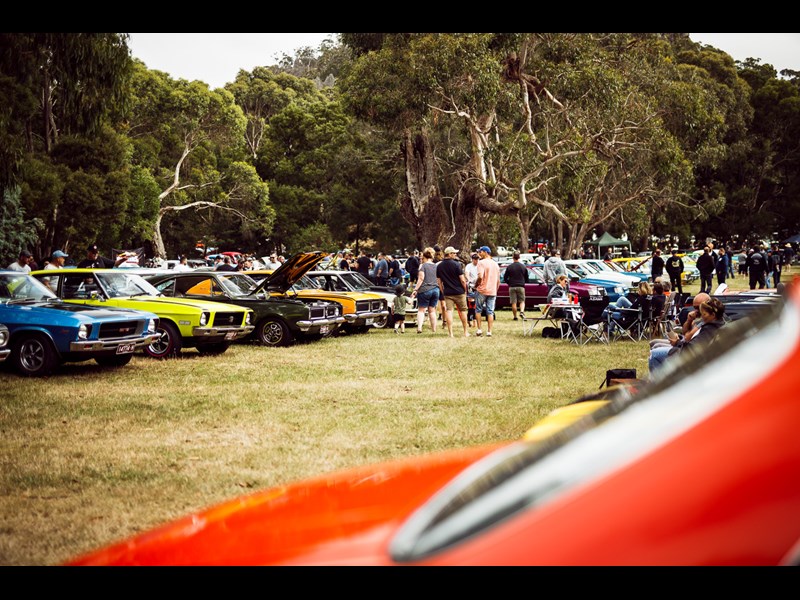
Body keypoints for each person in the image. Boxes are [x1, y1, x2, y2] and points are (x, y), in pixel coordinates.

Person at [649, 298, 726, 374]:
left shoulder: (709, 329)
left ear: (713, 315)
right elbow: (685, 333)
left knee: (654, 354)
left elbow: (691, 346)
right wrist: (689, 320)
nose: (701, 315)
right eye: (695, 307)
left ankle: (660, 384)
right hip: (685, 347)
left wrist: (677, 342)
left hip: (687, 355)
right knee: (655, 346)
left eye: (704, 314)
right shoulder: (716, 323)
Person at [436, 246, 470, 337]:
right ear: (450, 254)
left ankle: (450, 333)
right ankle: (465, 332)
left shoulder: (439, 266)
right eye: (454, 253)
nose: (455, 254)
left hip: (447, 292)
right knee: (463, 311)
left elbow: (439, 281)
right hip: (459, 291)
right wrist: (465, 289)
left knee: (449, 311)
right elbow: (462, 280)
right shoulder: (457, 264)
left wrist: (443, 291)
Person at [410, 247, 439, 333]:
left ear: (424, 256)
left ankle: (419, 328)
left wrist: (415, 289)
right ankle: (434, 329)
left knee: (421, 309)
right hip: (435, 290)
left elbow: (421, 278)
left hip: (425, 290)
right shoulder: (436, 266)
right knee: (432, 310)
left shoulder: (423, 266)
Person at [474, 245, 500, 337]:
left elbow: (480, 276)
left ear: (485, 252)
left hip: (482, 289)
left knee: (478, 309)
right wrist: (496, 289)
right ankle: (489, 331)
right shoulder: (495, 264)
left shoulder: (481, 263)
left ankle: (479, 329)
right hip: (492, 290)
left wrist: (476, 285)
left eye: (480, 252)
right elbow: (498, 280)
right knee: (490, 311)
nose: (479, 254)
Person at [504, 251, 528, 321]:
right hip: (521, 286)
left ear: (513, 257)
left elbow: (505, 277)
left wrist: (509, 283)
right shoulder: (523, 266)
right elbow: (526, 277)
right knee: (522, 301)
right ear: (519, 257)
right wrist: (524, 282)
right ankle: (522, 312)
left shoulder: (509, 267)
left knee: (513, 302)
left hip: (512, 286)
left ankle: (515, 316)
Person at [465, 253, 479, 329]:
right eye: (474, 259)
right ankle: (470, 320)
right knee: (471, 305)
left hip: (478, 286)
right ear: (472, 259)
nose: (476, 261)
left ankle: (474, 320)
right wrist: (469, 280)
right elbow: (466, 273)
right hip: (471, 286)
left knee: (477, 305)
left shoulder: (480, 265)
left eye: (477, 259)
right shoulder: (469, 266)